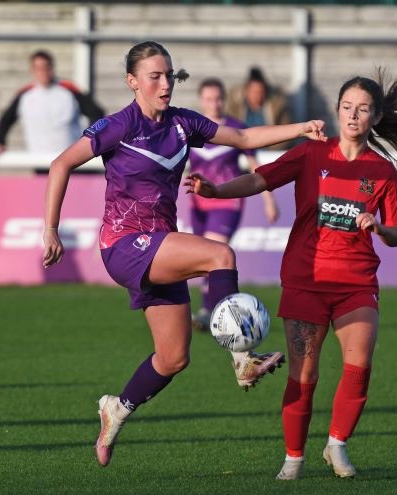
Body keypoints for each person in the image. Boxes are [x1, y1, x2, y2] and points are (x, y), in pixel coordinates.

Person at [41, 41, 326, 468]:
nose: (164, 83)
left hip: (160, 245)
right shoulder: (119, 125)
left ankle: (115, 409)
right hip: (124, 246)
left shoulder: (183, 123)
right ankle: (243, 359)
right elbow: (61, 164)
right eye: (154, 75)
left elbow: (245, 137)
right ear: (132, 82)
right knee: (220, 255)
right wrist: (50, 229)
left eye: (169, 75)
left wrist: (300, 127)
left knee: (173, 357)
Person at [186, 67, 397, 480]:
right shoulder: (310, 153)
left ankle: (336, 446)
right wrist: (215, 191)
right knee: (305, 374)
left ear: (375, 117)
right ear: (337, 111)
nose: (353, 115)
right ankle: (293, 458)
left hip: (356, 284)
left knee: (359, 367)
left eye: (362, 109)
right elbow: (259, 178)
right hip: (307, 280)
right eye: (346, 107)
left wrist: (378, 228)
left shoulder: (382, 171)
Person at [187, 77, 280, 331]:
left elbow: (255, 167)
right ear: (201, 101)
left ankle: (210, 311)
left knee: (213, 250)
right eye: (209, 99)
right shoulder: (192, 129)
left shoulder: (235, 129)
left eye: (218, 98)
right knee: (203, 261)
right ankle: (212, 309)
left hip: (227, 202)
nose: (214, 103)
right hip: (197, 205)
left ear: (224, 100)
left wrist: (268, 199)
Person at [0, 50, 105, 169]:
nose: (43, 72)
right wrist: (1, 142)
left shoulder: (69, 90)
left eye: (46, 67)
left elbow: (96, 113)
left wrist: (91, 139)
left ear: (52, 68)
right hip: (41, 163)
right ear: (32, 70)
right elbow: (6, 119)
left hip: (73, 162)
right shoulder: (25, 95)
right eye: (39, 68)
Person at [226, 67, 294, 150]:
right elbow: (228, 130)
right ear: (247, 91)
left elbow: (286, 132)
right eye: (254, 92)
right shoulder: (235, 108)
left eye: (260, 92)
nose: (257, 96)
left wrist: (271, 151)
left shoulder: (277, 108)